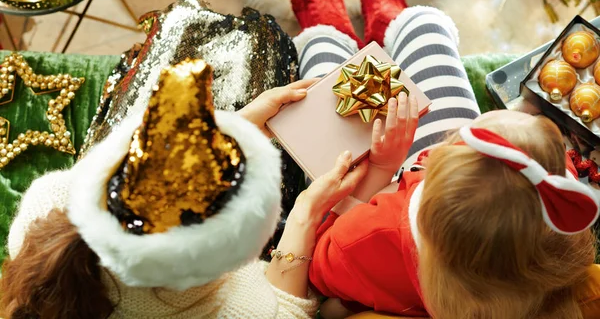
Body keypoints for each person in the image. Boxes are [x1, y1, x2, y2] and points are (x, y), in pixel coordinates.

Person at [290, 0, 599, 318]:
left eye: (463, 134)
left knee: (323, 87)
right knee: (424, 26)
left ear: (438, 162)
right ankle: (391, 26)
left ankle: (326, 35)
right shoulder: (557, 210)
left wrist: (380, 168)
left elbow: (318, 262)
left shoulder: (370, 238)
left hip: (361, 206)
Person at [1, 58, 368, 319]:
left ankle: (325, 32)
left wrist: (237, 125)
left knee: (325, 59)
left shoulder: (47, 204)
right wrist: (305, 214)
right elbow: (285, 312)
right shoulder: (239, 308)